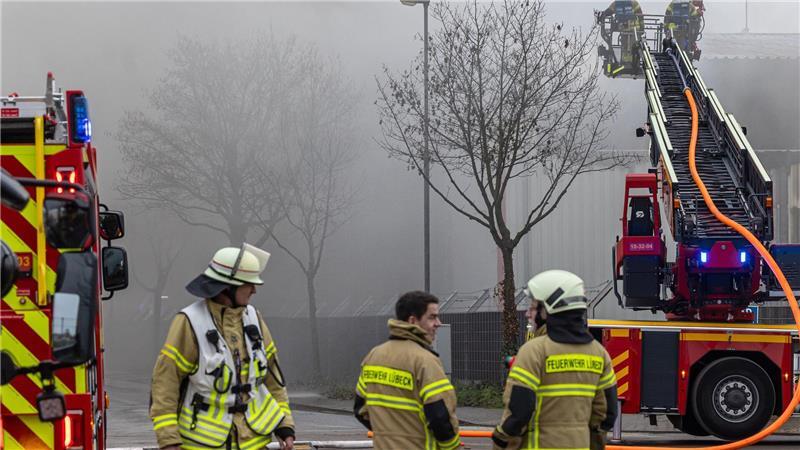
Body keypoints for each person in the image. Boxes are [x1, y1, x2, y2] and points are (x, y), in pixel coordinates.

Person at [150, 244, 295, 450]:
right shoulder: (189, 322)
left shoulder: (254, 318)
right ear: (227, 287)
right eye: (249, 284)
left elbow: (273, 381)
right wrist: (169, 440)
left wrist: (285, 425)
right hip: (204, 443)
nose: (254, 290)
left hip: (254, 442)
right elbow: (165, 385)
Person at [492, 270, 618, 450]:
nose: (528, 313)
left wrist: (500, 442)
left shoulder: (533, 351)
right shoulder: (599, 353)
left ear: (548, 310)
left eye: (533, 307)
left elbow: (518, 414)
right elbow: (607, 413)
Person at [354, 291, 461, 450]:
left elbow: (360, 409)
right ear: (413, 321)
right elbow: (440, 418)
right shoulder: (425, 361)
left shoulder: (373, 356)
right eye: (432, 317)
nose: (438, 323)